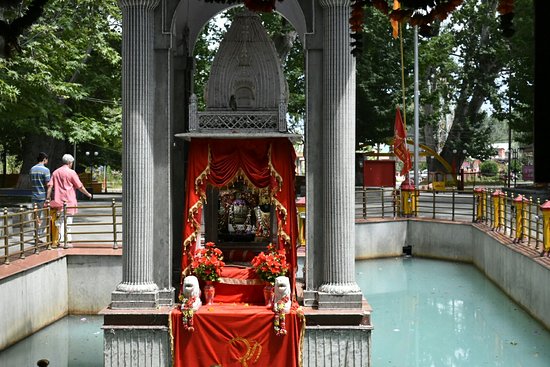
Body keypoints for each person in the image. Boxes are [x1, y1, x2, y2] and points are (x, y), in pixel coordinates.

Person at [46, 154, 92, 247]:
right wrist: (88, 194)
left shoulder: (55, 172)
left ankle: (60, 239)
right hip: (69, 201)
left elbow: (50, 186)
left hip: (58, 201)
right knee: (68, 222)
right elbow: (80, 186)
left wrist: (48, 198)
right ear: (70, 162)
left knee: (60, 221)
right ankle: (65, 240)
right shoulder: (71, 173)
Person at [29, 152, 50, 237]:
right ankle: (39, 233)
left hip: (34, 195)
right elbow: (48, 185)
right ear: (44, 159)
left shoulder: (32, 169)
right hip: (42, 196)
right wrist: (48, 198)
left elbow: (31, 182)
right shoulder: (46, 170)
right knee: (47, 217)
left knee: (36, 216)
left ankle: (36, 233)